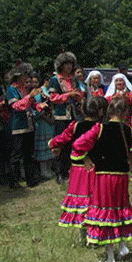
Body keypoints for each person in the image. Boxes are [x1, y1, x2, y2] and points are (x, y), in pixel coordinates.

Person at [71, 97, 132, 262]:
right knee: (119, 211)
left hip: (103, 179)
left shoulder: (99, 128)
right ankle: (122, 247)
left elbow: (78, 144)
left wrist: (85, 158)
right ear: (125, 113)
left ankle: (110, 259)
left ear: (109, 112)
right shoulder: (129, 131)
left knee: (106, 215)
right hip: (122, 178)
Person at [50, 96, 107, 233]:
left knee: (81, 201)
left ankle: (82, 231)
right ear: (100, 112)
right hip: (95, 169)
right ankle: (94, 230)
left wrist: (54, 146)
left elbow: (59, 140)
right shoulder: (101, 128)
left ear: (82, 110)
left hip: (77, 170)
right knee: (95, 200)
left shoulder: (75, 126)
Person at [49, 52, 85, 184]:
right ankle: (59, 172)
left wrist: (78, 96)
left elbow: (80, 93)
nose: (69, 67)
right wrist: (69, 95)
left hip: (74, 114)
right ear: (61, 66)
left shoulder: (74, 79)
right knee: (60, 142)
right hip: (61, 115)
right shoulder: (55, 80)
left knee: (72, 143)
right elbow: (53, 98)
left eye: (70, 64)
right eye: (66, 64)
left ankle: (68, 170)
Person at [6, 62, 43, 188]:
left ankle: (31, 179)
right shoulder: (12, 89)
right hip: (18, 126)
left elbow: (30, 104)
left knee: (29, 153)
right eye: (24, 76)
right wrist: (30, 97)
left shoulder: (24, 89)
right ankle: (14, 180)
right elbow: (15, 106)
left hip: (29, 124)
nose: (26, 78)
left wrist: (39, 105)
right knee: (16, 155)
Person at [32, 73, 55, 180]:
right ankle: (43, 170)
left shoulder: (47, 91)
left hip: (50, 120)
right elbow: (36, 107)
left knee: (51, 144)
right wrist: (45, 117)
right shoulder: (36, 93)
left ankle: (49, 168)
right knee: (43, 145)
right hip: (41, 121)